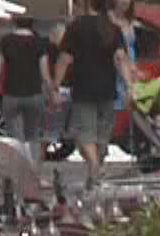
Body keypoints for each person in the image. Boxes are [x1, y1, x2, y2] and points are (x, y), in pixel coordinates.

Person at [50, 0, 139, 188]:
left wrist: (55, 85)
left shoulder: (76, 27)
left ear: (87, 4)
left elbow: (64, 59)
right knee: (102, 136)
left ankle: (94, 166)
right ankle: (94, 175)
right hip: (107, 90)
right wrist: (129, 86)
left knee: (84, 135)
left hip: (83, 89)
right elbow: (121, 58)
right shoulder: (112, 28)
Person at [0, 18, 55, 159]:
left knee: (14, 137)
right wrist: (51, 92)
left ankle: (18, 166)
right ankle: (32, 167)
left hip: (11, 94)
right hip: (34, 95)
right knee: (33, 135)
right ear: (32, 24)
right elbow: (44, 73)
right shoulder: (39, 42)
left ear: (15, 22)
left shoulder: (6, 41)